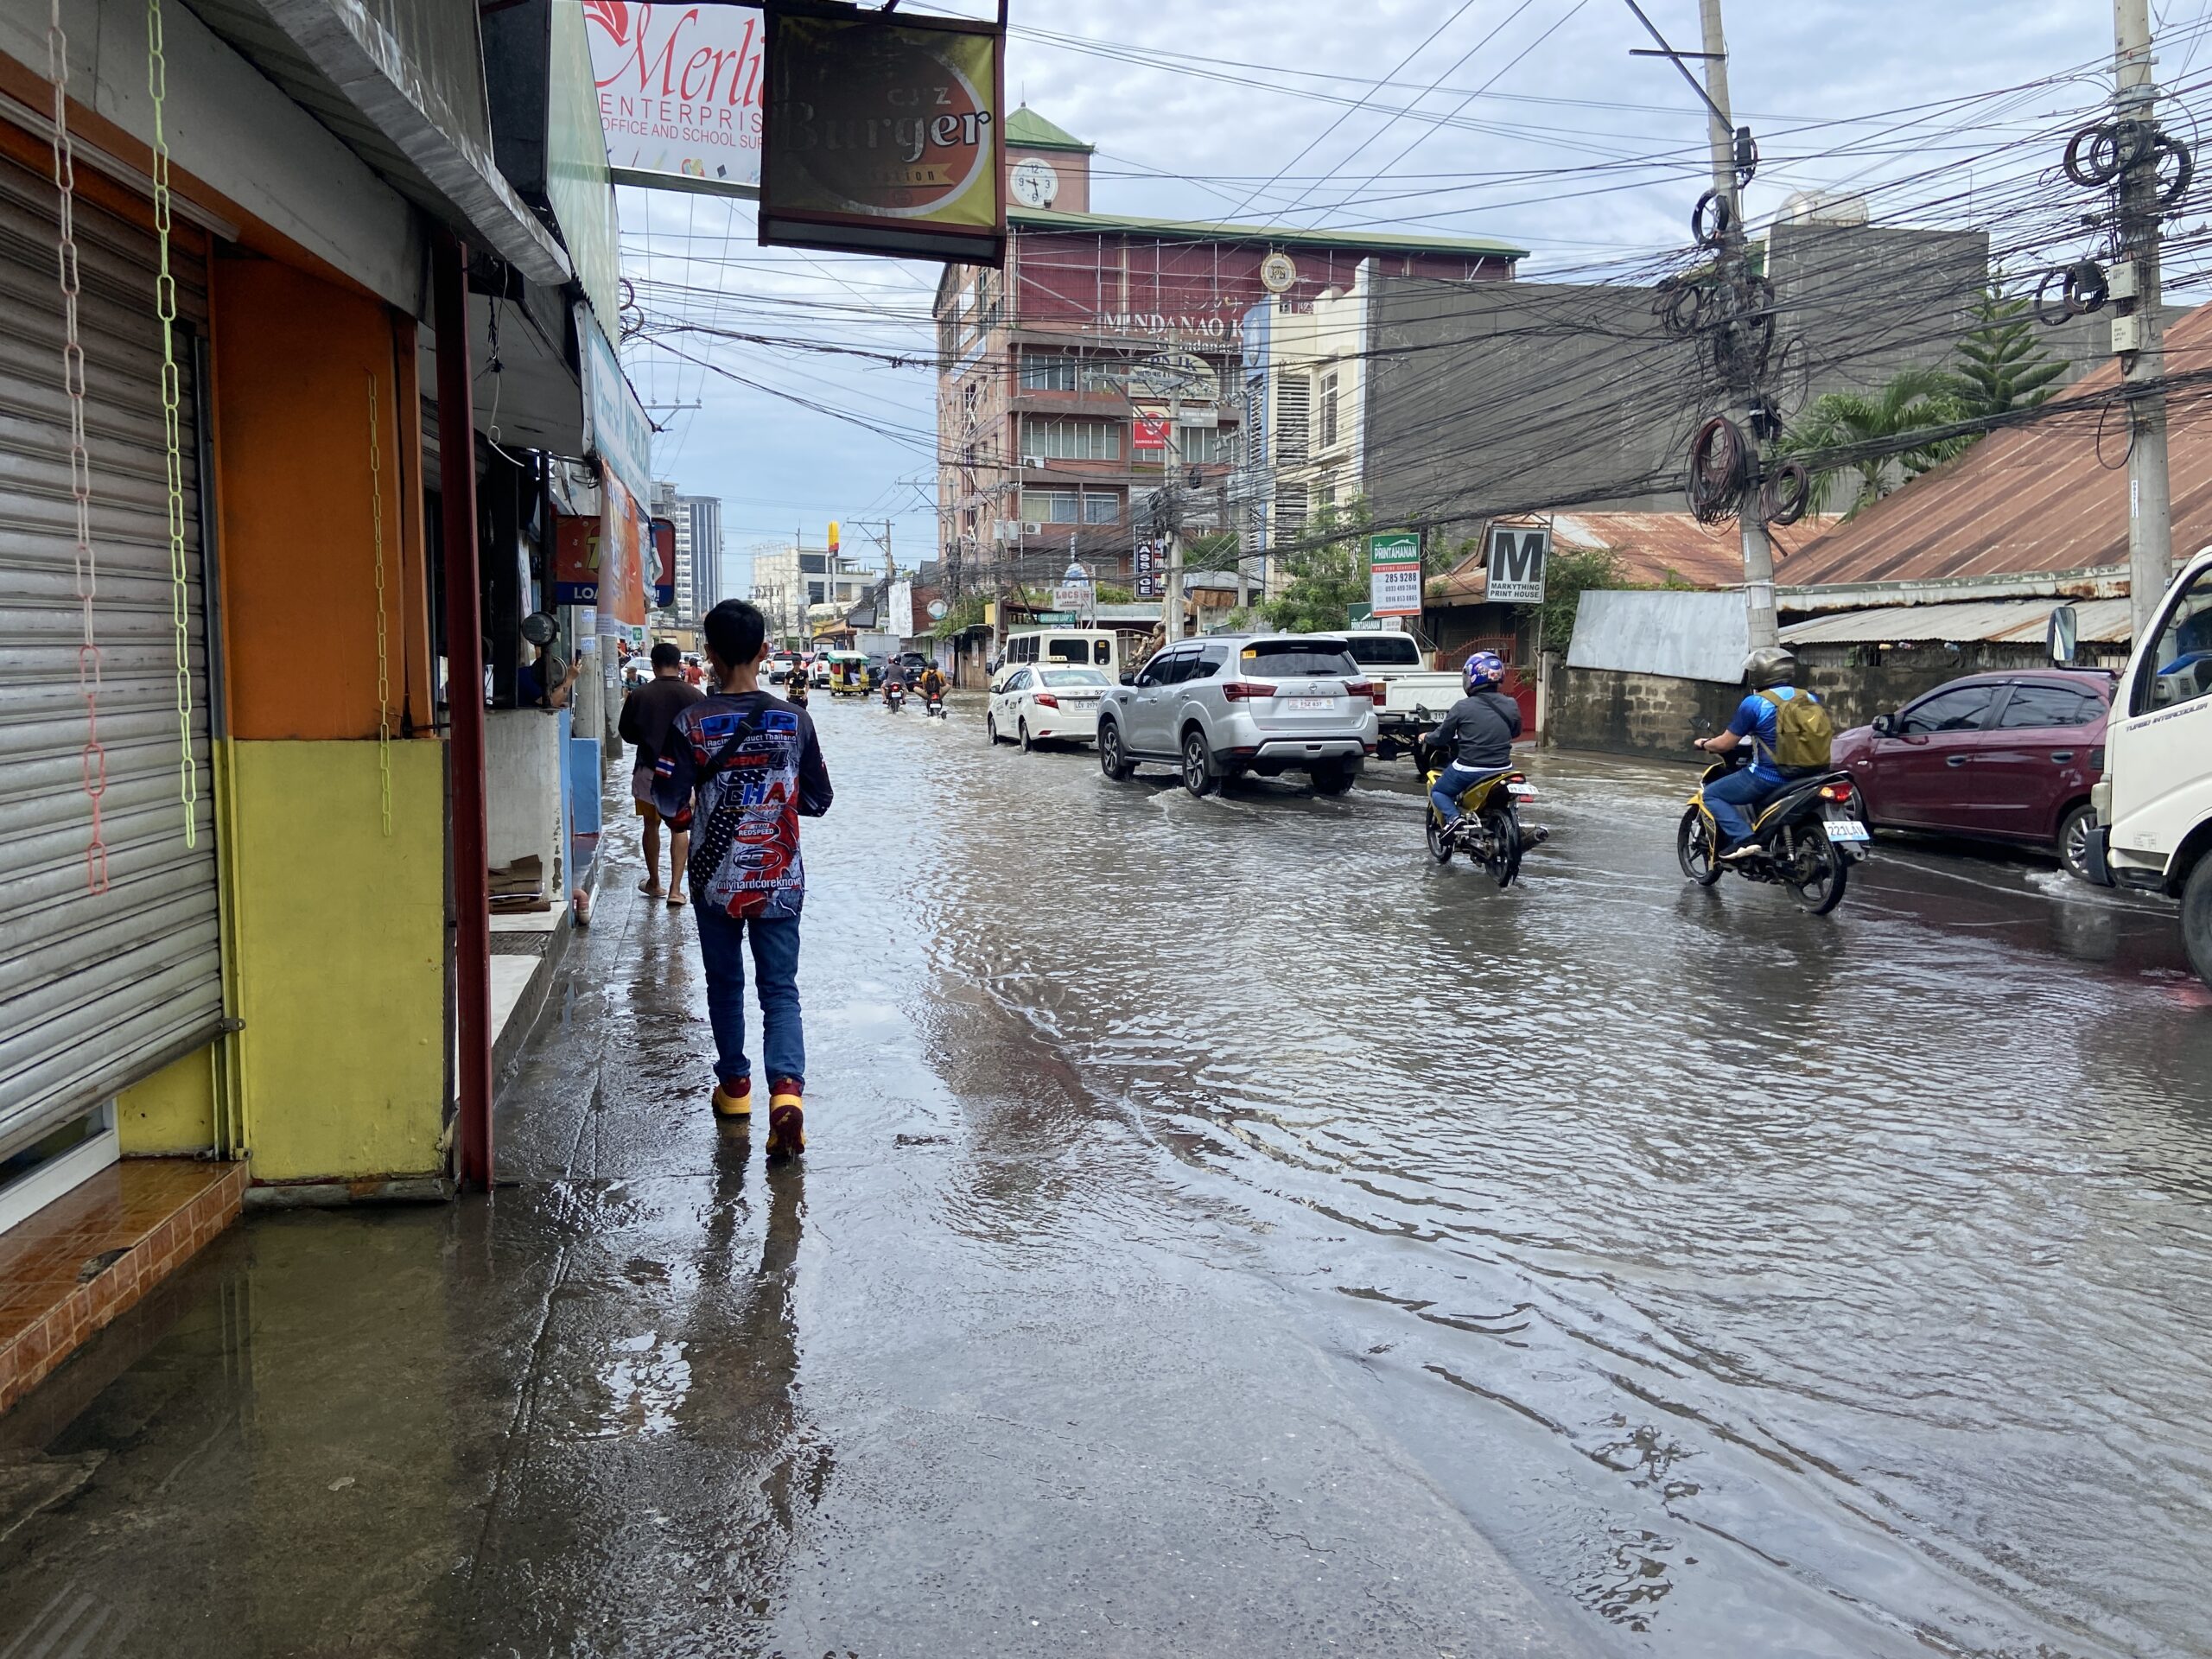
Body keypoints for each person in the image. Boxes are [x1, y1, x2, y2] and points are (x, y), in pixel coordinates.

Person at [654, 599, 833, 1160]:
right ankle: (788, 1096)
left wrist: (696, 816)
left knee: (725, 986)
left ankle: (735, 1090)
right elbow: (818, 798)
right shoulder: (795, 720)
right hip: (780, 880)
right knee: (780, 992)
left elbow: (667, 799)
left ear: (708, 653)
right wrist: (773, 799)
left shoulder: (692, 723)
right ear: (763, 651)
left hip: (714, 884)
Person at [1694, 646, 1827, 861]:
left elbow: (1725, 744)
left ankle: (1745, 839)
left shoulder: (1755, 703)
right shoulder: (1809, 698)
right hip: (1810, 775)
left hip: (1769, 777)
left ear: (1760, 674)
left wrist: (1704, 743)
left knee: (1711, 795)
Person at [619, 642, 703, 905]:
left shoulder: (639, 695)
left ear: (654, 665)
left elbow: (627, 733)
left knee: (650, 825)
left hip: (648, 770)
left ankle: (655, 883)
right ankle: (676, 890)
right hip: (683, 775)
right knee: (680, 829)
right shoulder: (696, 697)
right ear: (679, 665)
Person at [1424, 652, 1521, 836]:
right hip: (1504, 769)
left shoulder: (1462, 707)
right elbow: (1515, 732)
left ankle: (1454, 819)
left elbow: (1441, 737)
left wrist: (1426, 737)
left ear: (1472, 677)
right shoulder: (1511, 704)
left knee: (1439, 792)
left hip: (1469, 770)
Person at [517, 641, 580, 710]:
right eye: (540, 648)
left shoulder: (549, 678)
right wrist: (570, 679)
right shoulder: (525, 675)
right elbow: (551, 705)